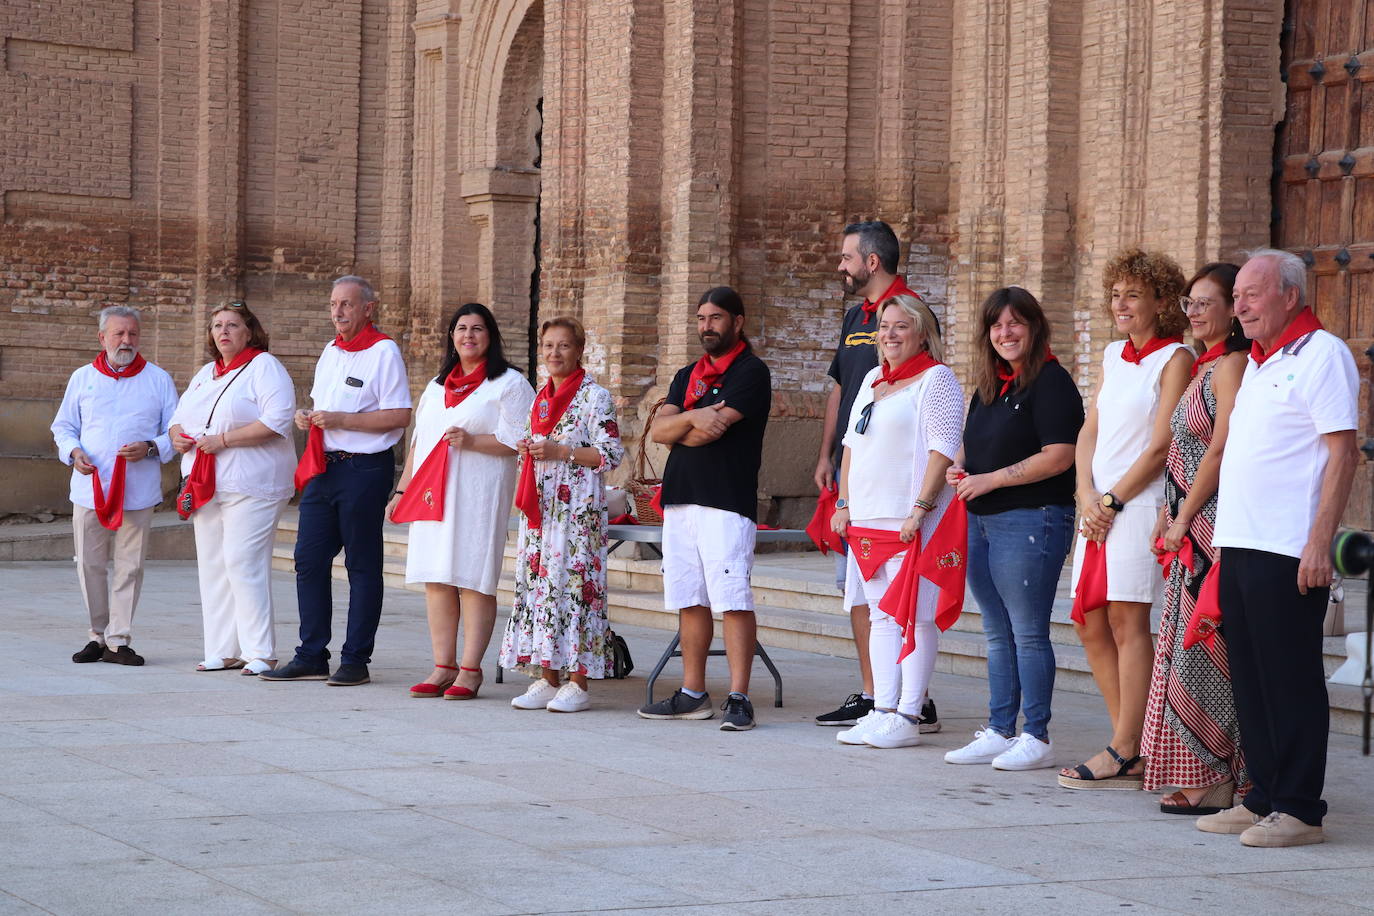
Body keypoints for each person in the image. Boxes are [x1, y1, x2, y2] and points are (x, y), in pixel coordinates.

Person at [1196, 249, 1359, 847]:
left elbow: (1342, 453)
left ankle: (1299, 809)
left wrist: (1321, 543)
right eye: (1236, 295)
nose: (1240, 305)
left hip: (1290, 548)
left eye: (1252, 293)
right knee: (1252, 678)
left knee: (1289, 680)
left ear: (1290, 295)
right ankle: (1262, 793)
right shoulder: (1260, 364)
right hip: (1240, 543)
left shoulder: (1323, 355)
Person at [1059, 249, 1193, 789]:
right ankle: (1129, 740)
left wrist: (1112, 501)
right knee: (1090, 623)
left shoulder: (1175, 357)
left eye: (1133, 294)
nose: (1121, 303)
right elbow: (1090, 428)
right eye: (1116, 294)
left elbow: (1162, 443)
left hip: (1135, 507)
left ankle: (1123, 746)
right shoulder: (1115, 354)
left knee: (1127, 622)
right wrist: (1084, 492)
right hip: (1097, 508)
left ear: (1161, 302)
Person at [943, 287, 1081, 770]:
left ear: (1034, 326)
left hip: (1031, 519)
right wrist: (959, 468)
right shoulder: (989, 385)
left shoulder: (1052, 381)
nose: (1006, 333)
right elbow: (970, 443)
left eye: (1015, 323)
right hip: (982, 519)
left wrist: (989, 479)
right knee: (996, 632)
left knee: (1027, 632)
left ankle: (1036, 735)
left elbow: (1060, 455)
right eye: (997, 325)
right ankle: (1000, 729)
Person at [813, 220, 940, 733]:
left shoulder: (911, 313)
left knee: (898, 600)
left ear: (871, 262)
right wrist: (826, 456)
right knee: (860, 592)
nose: (840, 266)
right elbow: (841, 390)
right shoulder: (853, 317)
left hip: (897, 492)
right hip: (856, 478)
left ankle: (911, 701)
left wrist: (921, 503)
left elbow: (932, 411)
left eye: (846, 258)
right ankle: (875, 694)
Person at [261, 275, 412, 686]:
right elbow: (321, 404)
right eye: (333, 305)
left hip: (364, 469)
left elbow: (399, 415)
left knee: (362, 565)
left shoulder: (384, 352)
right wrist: (306, 418)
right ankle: (311, 653)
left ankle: (356, 659)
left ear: (369, 308)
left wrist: (343, 420)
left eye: (347, 304)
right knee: (308, 560)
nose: (338, 312)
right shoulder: (330, 350)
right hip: (323, 467)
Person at [828, 293, 963, 749]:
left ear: (922, 331)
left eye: (900, 326)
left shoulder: (936, 379)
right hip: (866, 519)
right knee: (882, 617)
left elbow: (942, 449)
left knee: (917, 618)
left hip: (908, 521)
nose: (889, 334)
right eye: (884, 326)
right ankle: (883, 708)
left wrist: (921, 509)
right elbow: (850, 445)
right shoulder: (870, 379)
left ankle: (910, 714)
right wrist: (843, 503)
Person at [1140, 264, 1251, 813]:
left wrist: (1184, 516)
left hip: (1211, 528)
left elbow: (1220, 447)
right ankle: (1204, 771)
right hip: (1188, 522)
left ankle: (1218, 776)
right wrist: (1167, 509)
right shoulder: (1202, 366)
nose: (1195, 312)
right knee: (1184, 649)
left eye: (1206, 302)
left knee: (1205, 652)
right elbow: (1180, 448)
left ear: (1234, 310)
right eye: (1190, 302)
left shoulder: (1230, 366)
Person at [636, 286, 772, 731]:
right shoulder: (687, 374)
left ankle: (739, 696)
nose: (707, 326)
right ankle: (694, 693)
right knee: (690, 599)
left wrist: (685, 424)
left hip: (725, 501)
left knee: (732, 600)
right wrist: (692, 417)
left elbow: (714, 429)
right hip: (680, 500)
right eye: (700, 318)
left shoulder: (751, 372)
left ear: (738, 321)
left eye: (715, 318)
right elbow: (659, 431)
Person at [386, 303, 533, 700]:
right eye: (461, 329)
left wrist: (471, 442)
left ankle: (470, 669)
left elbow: (519, 440)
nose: (469, 336)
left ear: (491, 336)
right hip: (432, 493)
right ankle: (442, 666)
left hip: (478, 493)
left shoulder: (509, 384)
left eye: (478, 329)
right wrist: (402, 490)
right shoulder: (436, 388)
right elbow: (419, 441)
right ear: (452, 337)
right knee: (437, 576)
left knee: (473, 577)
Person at [499, 317, 625, 712]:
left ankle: (578, 680)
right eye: (549, 346)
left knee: (573, 589)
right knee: (540, 590)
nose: (555, 354)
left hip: (577, 515)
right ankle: (547, 677)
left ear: (579, 349)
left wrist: (561, 452)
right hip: (542, 513)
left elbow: (610, 454)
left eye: (564, 346)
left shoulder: (594, 397)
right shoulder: (540, 398)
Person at [169, 303, 296, 675]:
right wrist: (177, 436)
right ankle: (223, 649)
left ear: (249, 331)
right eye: (217, 326)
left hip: (253, 483)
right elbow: (178, 419)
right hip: (205, 482)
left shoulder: (264, 367)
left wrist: (224, 439)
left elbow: (277, 420)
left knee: (243, 561)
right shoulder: (205, 373)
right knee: (213, 565)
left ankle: (261, 651)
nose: (223, 331)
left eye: (232, 325)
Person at [50, 305, 178, 666]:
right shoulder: (82, 377)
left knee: (131, 565)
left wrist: (152, 447)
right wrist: (72, 452)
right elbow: (63, 426)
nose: (126, 341)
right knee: (89, 563)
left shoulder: (158, 379)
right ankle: (96, 634)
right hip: (90, 487)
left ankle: (119, 640)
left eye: (133, 334)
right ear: (102, 337)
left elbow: (176, 429)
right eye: (119, 333)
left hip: (137, 487)